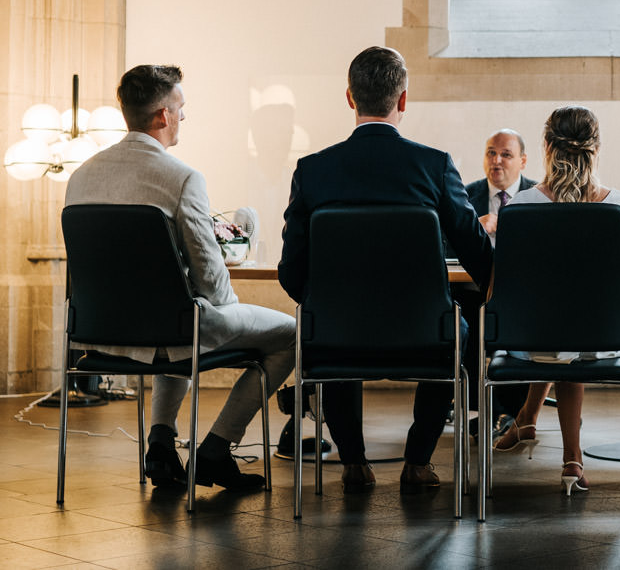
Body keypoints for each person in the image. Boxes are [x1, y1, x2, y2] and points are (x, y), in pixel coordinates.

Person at [63, 64, 296, 494]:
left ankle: (161, 444)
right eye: (180, 107)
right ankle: (216, 448)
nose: (183, 116)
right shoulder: (183, 178)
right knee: (289, 334)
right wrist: (223, 297)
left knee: (177, 321)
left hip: (99, 332)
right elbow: (210, 279)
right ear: (163, 116)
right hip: (171, 327)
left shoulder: (80, 177)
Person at [278, 45, 493, 495]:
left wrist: (324, 300)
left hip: (338, 332)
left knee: (331, 326)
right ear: (403, 101)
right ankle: (417, 460)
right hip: (424, 333)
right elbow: (477, 252)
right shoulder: (434, 166)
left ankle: (353, 462)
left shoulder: (313, 170)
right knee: (460, 329)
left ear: (350, 99)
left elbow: (291, 269)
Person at [492, 105, 620, 497]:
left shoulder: (519, 208)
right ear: (596, 148)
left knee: (558, 332)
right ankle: (554, 444)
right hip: (602, 340)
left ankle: (544, 433)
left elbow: (508, 290)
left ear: (546, 147)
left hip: (532, 342)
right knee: (570, 329)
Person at [455, 129, 536, 439]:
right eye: (491, 153)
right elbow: (444, 243)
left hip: (526, 295)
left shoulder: (538, 195)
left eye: (506, 154)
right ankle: (489, 407)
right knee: (472, 320)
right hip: (475, 292)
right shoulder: (464, 196)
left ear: (523, 161)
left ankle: (513, 411)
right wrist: (475, 227)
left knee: (519, 321)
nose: (497, 160)